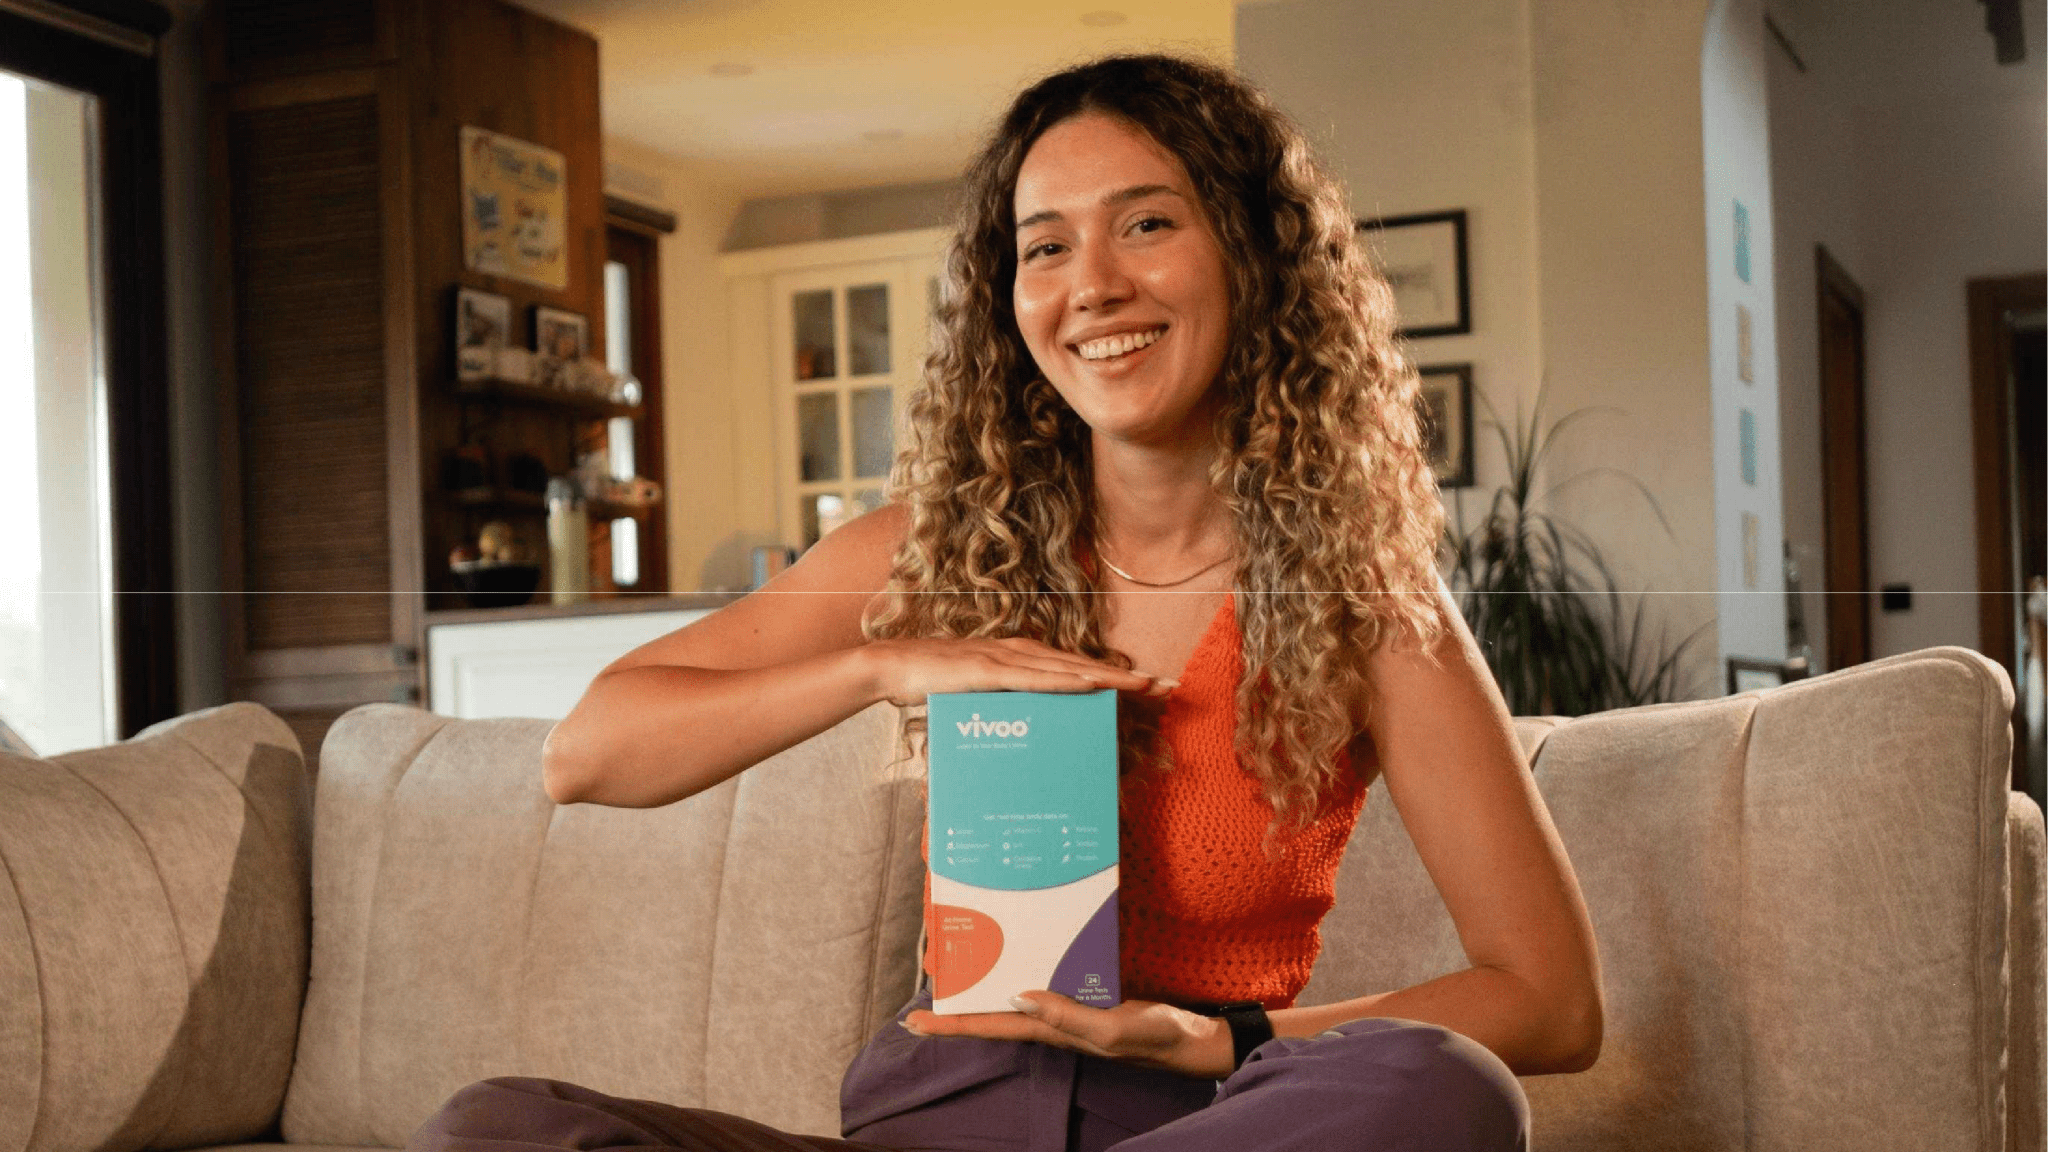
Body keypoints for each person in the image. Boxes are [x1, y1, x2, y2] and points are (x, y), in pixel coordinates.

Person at [412, 52, 1602, 1152]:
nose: (1091, 285)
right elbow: (587, 755)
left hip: (1199, 1123)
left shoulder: (1361, 600)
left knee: (1441, 1088)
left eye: (1145, 224)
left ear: (1251, 256)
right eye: (1043, 247)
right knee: (496, 1124)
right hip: (943, 1109)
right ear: (1007, 296)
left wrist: (1213, 1041)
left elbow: (1546, 1003)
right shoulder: (935, 550)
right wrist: (883, 667)